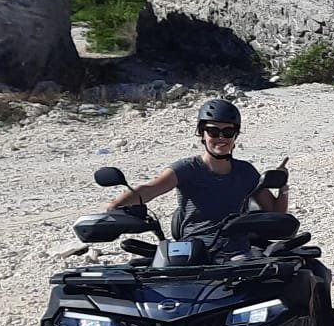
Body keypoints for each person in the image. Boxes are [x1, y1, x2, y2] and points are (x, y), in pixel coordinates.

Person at [104, 98, 286, 241]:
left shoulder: (246, 172)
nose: (221, 138)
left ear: (235, 135)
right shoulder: (186, 169)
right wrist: (116, 207)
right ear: (202, 133)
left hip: (236, 252)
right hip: (193, 250)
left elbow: (276, 214)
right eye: (213, 132)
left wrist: (283, 187)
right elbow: (151, 189)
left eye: (228, 132)